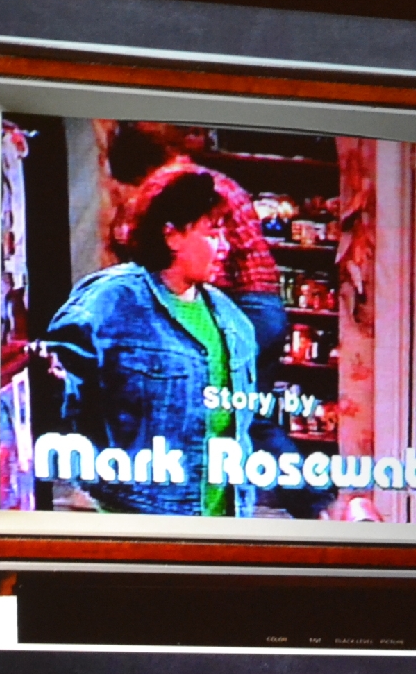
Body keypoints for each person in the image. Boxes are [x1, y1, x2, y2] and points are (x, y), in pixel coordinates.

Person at [107, 123, 334, 518]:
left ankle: (307, 500)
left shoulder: (170, 186)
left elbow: (134, 241)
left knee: (205, 409)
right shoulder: (218, 180)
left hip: (238, 308)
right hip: (267, 306)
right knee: (246, 414)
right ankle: (310, 501)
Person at [36, 172, 258, 517]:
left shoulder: (233, 320)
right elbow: (59, 392)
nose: (225, 247)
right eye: (212, 233)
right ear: (172, 235)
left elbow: (245, 425)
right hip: (140, 513)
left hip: (224, 517)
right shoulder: (113, 299)